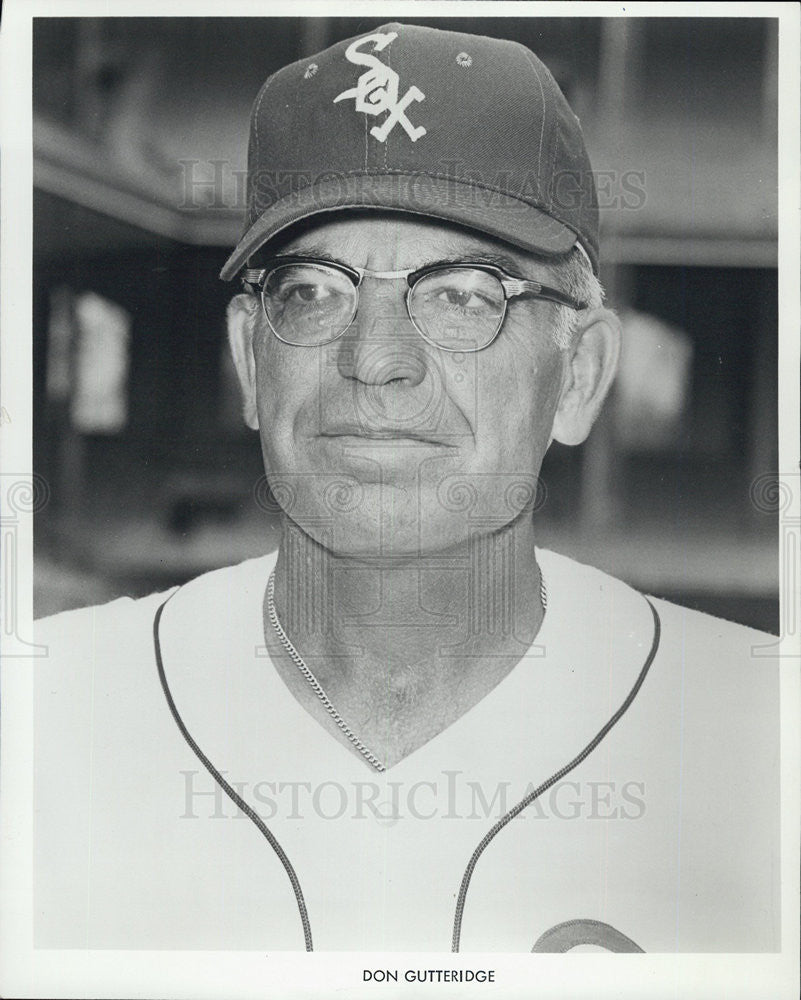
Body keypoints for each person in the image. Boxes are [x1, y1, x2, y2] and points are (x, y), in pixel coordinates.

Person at [34, 22, 779, 953]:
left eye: (464, 293)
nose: (374, 359)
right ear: (249, 361)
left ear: (579, 375)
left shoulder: (762, 739)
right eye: (313, 291)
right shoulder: (39, 716)